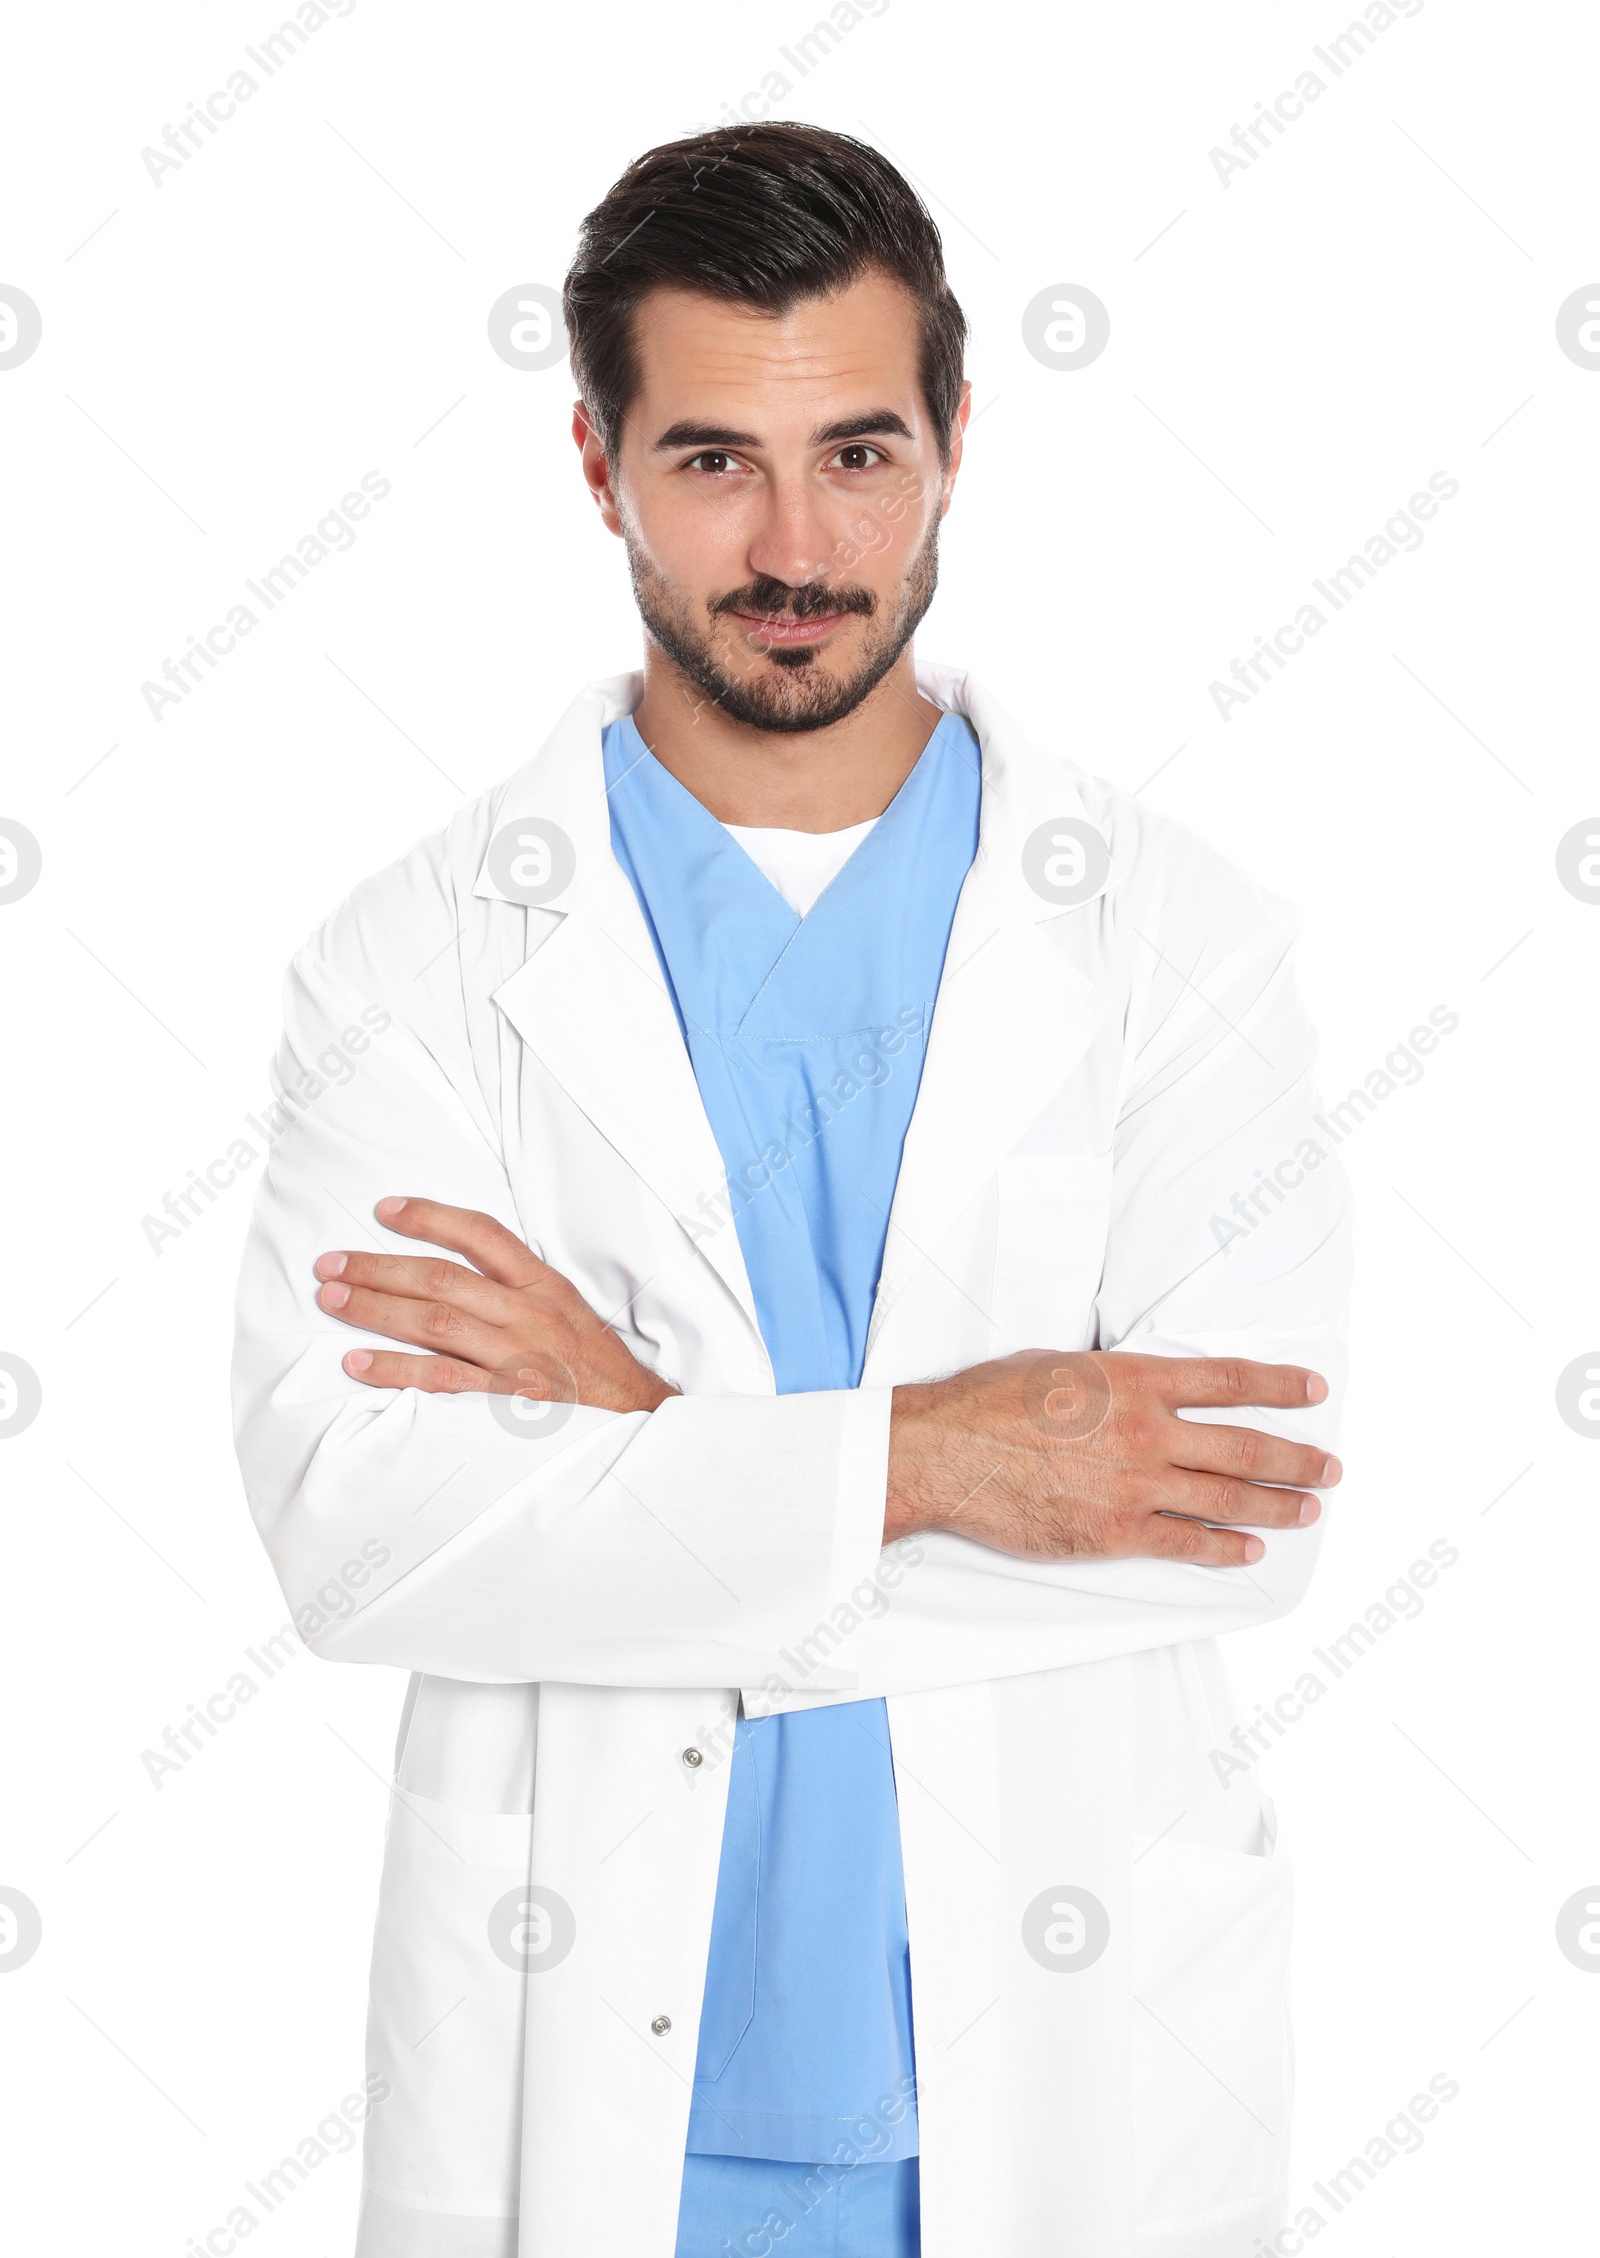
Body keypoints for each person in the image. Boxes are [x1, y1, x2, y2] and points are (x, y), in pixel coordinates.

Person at [232, 121, 1351, 2258]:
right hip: (591, 2087)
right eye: (709, 462)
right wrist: (950, 1454)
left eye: (855, 451)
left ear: (952, 437)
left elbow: (1232, 1524)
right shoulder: (419, 959)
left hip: (1063, 2055)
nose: (792, 544)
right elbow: (368, 1540)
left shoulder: (1173, 939)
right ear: (595, 465)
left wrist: (641, 1457)